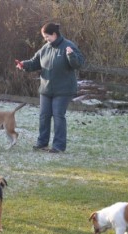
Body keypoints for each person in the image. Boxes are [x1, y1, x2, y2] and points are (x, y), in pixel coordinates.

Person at [16, 22, 85, 153]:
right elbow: (35, 62)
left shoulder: (69, 46)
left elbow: (79, 64)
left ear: (54, 34)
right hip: (46, 89)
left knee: (58, 115)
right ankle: (42, 143)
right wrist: (24, 65)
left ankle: (58, 146)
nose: (45, 39)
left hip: (63, 90)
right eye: (44, 37)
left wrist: (71, 55)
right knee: (44, 116)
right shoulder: (45, 48)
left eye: (47, 36)